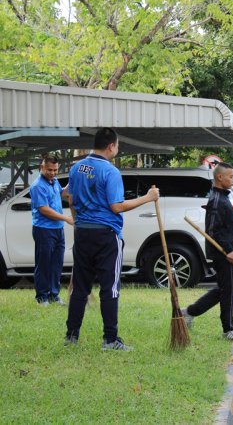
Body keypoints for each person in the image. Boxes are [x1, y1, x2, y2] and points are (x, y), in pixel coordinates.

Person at [65, 128, 159, 351]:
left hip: (82, 232)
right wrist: (148, 198)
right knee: (110, 287)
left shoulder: (76, 168)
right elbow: (116, 206)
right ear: (111, 146)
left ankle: (71, 335)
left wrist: (78, 223)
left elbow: (69, 198)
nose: (118, 149)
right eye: (117, 145)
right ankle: (110, 339)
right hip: (106, 234)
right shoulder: (110, 171)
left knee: (80, 286)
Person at [181, 163, 233, 341]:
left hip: (230, 252)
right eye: (231, 176)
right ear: (220, 177)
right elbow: (213, 231)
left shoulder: (223, 197)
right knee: (230, 290)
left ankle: (189, 312)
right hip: (223, 254)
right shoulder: (217, 200)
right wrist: (229, 250)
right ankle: (229, 329)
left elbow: (227, 230)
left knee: (224, 290)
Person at [30, 155, 74, 305]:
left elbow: (62, 193)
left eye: (55, 170)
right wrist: (66, 218)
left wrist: (72, 181)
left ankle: (54, 295)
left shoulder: (54, 182)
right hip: (44, 230)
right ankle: (42, 297)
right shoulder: (37, 186)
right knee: (44, 264)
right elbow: (44, 210)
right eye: (50, 170)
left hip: (57, 230)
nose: (53, 173)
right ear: (41, 167)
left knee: (56, 264)